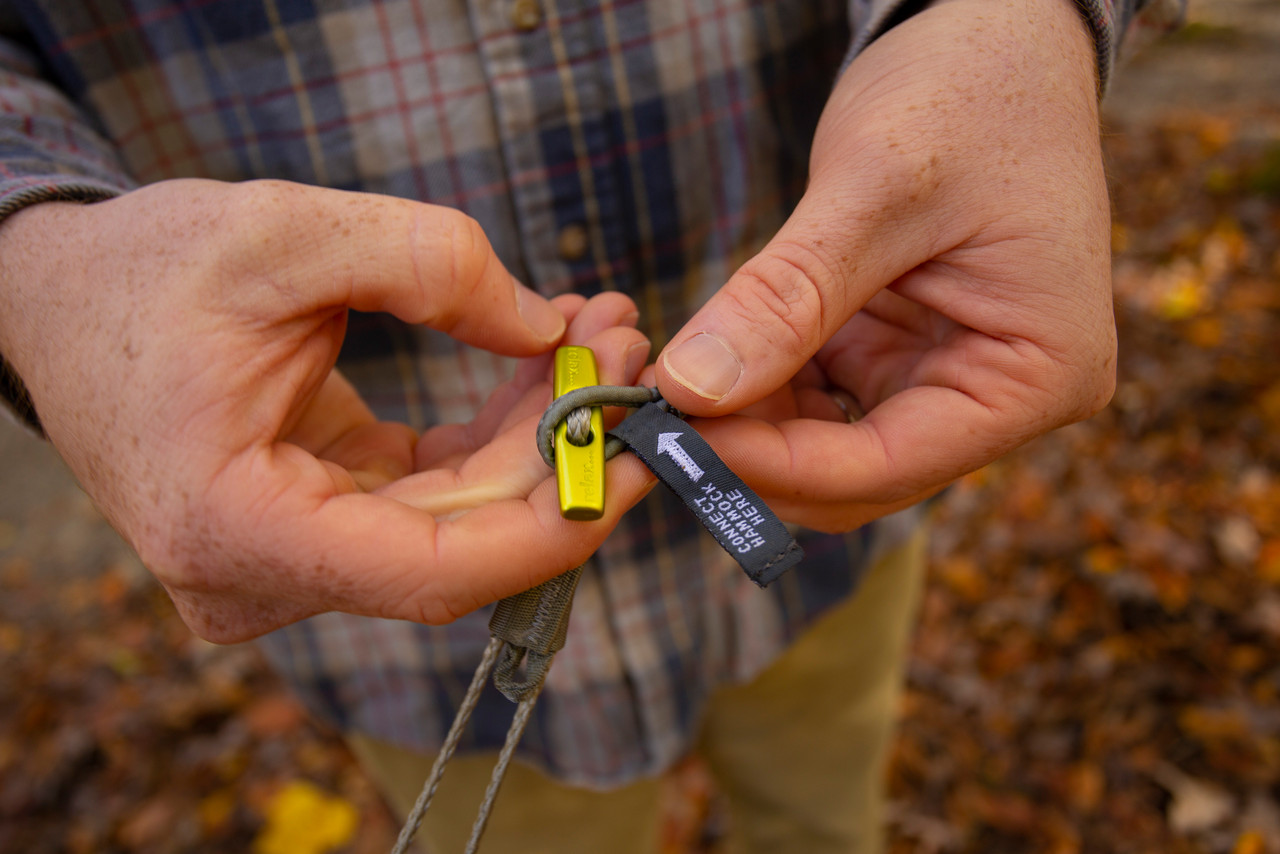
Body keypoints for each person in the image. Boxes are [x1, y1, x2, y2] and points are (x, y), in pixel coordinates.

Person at [0, 0, 1179, 850]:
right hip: (402, 604)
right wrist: (39, 263)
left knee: (821, 813)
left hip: (830, 524)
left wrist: (1016, 22)